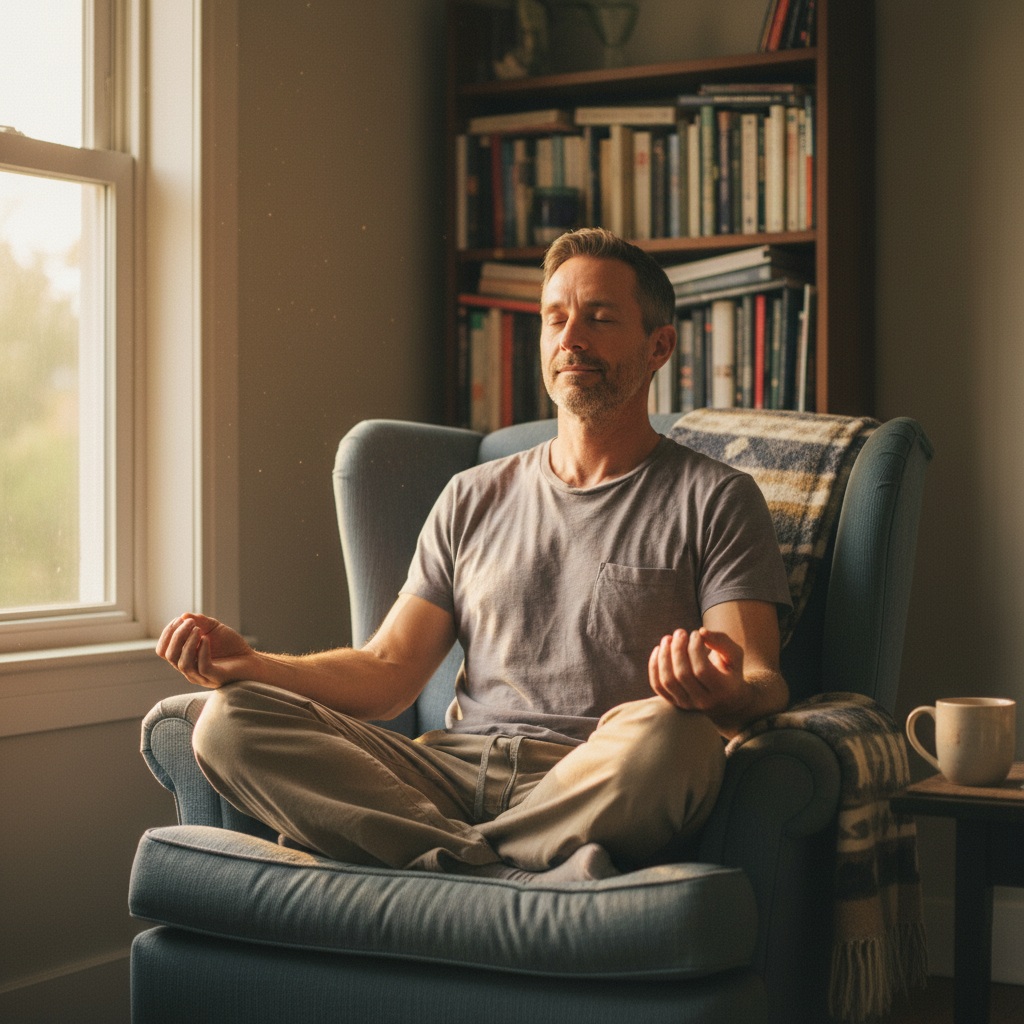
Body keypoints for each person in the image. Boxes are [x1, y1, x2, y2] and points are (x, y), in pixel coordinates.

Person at [156, 228, 791, 883]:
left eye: (600, 319)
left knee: (676, 737)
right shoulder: (471, 495)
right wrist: (252, 664)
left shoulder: (716, 497)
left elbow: (763, 680)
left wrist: (718, 695)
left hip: (590, 772)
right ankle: (495, 863)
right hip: (445, 772)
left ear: (658, 346)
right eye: (555, 318)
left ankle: (435, 857)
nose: (571, 338)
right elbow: (387, 671)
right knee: (228, 723)